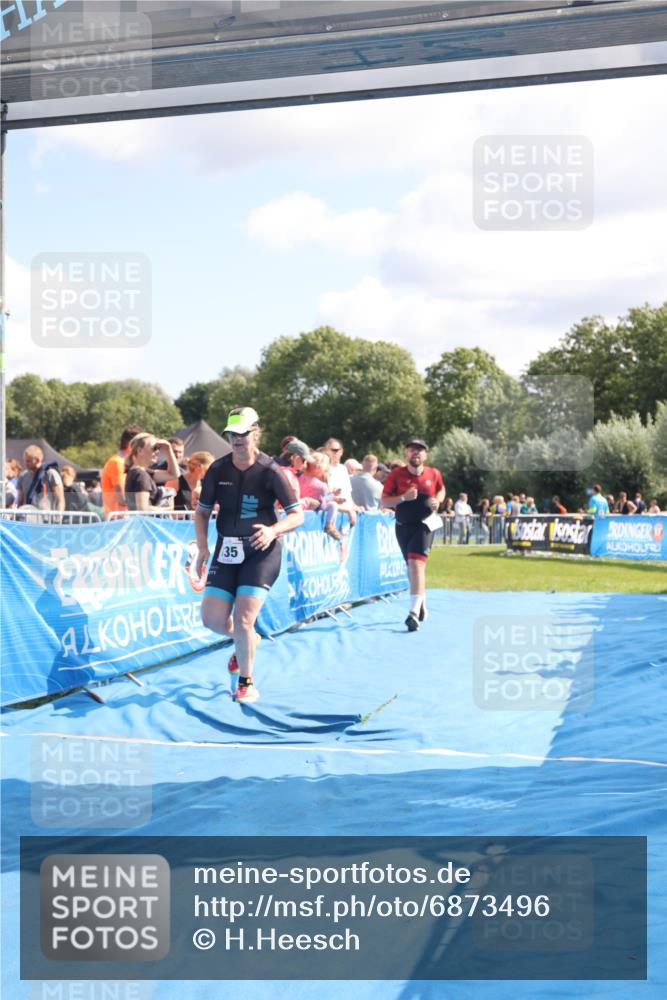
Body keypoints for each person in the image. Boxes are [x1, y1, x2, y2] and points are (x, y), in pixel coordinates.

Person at [194, 407, 303, 703]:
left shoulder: (270, 470)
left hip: (261, 551)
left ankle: (245, 681)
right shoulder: (217, 470)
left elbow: (297, 515)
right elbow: (201, 513)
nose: (237, 439)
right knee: (212, 620)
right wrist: (203, 547)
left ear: (256, 433)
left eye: (243, 433)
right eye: (232, 434)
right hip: (226, 550)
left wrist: (273, 530)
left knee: (243, 619)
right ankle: (246, 642)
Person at [381, 437, 445, 632]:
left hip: (425, 525)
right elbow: (385, 501)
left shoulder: (433, 473)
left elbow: (441, 490)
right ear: (406, 454)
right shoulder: (396, 475)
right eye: (411, 449)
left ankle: (413, 613)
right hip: (403, 525)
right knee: (411, 568)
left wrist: (437, 500)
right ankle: (420, 602)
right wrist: (403, 497)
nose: (415, 452)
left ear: (425, 454)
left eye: (420, 450)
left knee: (416, 565)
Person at [124, 433, 180, 511]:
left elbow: (174, 474)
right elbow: (142, 508)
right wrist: (167, 509)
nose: (157, 452)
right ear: (140, 451)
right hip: (145, 522)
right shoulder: (141, 475)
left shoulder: (137, 471)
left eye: (158, 449)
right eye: (154, 448)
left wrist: (168, 449)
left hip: (138, 521)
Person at [101, 424, 142, 514]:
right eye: (141, 444)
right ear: (131, 443)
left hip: (126, 518)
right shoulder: (117, 462)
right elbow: (122, 498)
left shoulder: (126, 462)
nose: (142, 447)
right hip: (119, 520)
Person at [17, 445, 64, 512]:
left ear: (38, 460)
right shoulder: (23, 476)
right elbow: (20, 501)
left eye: (28, 461)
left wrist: (58, 518)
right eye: (25, 460)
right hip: (27, 517)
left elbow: (60, 500)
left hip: (47, 519)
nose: (25, 463)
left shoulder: (50, 474)